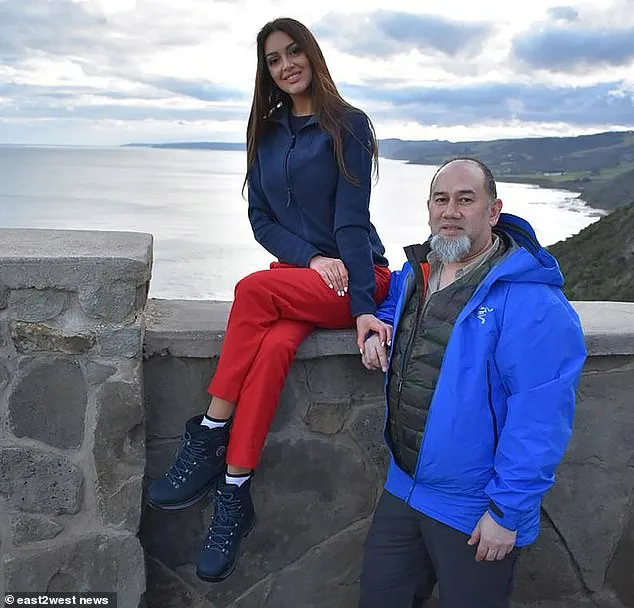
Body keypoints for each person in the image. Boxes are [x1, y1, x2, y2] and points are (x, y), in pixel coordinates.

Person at [146, 17, 392, 583]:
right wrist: (309, 258)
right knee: (274, 348)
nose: (285, 65)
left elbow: (352, 222)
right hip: (301, 278)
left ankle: (210, 431)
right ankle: (234, 489)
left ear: (312, 54)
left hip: (356, 277)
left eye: (292, 51)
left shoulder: (349, 125)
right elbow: (261, 219)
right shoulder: (266, 131)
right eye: (273, 59)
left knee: (251, 289)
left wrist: (362, 307)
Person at [357, 157, 586, 608]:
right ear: (428, 208)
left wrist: (507, 511)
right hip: (404, 488)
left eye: (466, 200)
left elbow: (540, 418)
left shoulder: (532, 303)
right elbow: (395, 300)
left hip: (475, 508)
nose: (450, 211)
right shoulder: (421, 270)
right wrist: (378, 325)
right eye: (441, 200)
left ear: (493, 211)